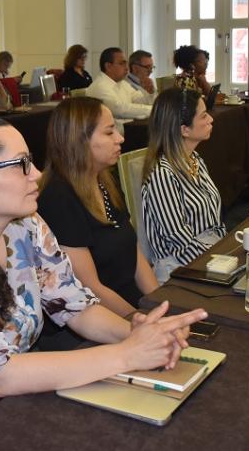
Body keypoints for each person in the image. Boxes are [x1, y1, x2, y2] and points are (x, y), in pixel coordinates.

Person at [0, 114, 206, 447]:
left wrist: (142, 335)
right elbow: (2, 375)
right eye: (21, 165)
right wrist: (127, 354)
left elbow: (75, 307)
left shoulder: (25, 225)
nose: (37, 174)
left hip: (13, 405)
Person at [37, 97, 159, 350]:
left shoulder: (104, 181)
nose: (120, 138)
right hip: (88, 325)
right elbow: (89, 287)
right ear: (79, 140)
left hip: (128, 308)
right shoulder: (58, 196)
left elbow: (134, 254)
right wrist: (143, 324)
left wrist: (159, 305)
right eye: (109, 131)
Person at [140, 88, 226, 283]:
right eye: (204, 116)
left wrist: (226, 250)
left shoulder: (195, 159)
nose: (211, 120)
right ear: (184, 129)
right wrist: (220, 266)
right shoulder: (162, 174)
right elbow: (179, 242)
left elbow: (214, 220)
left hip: (207, 253)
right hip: (180, 268)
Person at [85, 47, 153, 132]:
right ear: (108, 66)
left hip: (130, 131)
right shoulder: (99, 87)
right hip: (112, 136)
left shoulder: (122, 83)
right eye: (122, 63)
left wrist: (149, 93)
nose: (127, 68)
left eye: (126, 63)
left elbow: (140, 101)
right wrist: (153, 110)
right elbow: (120, 110)